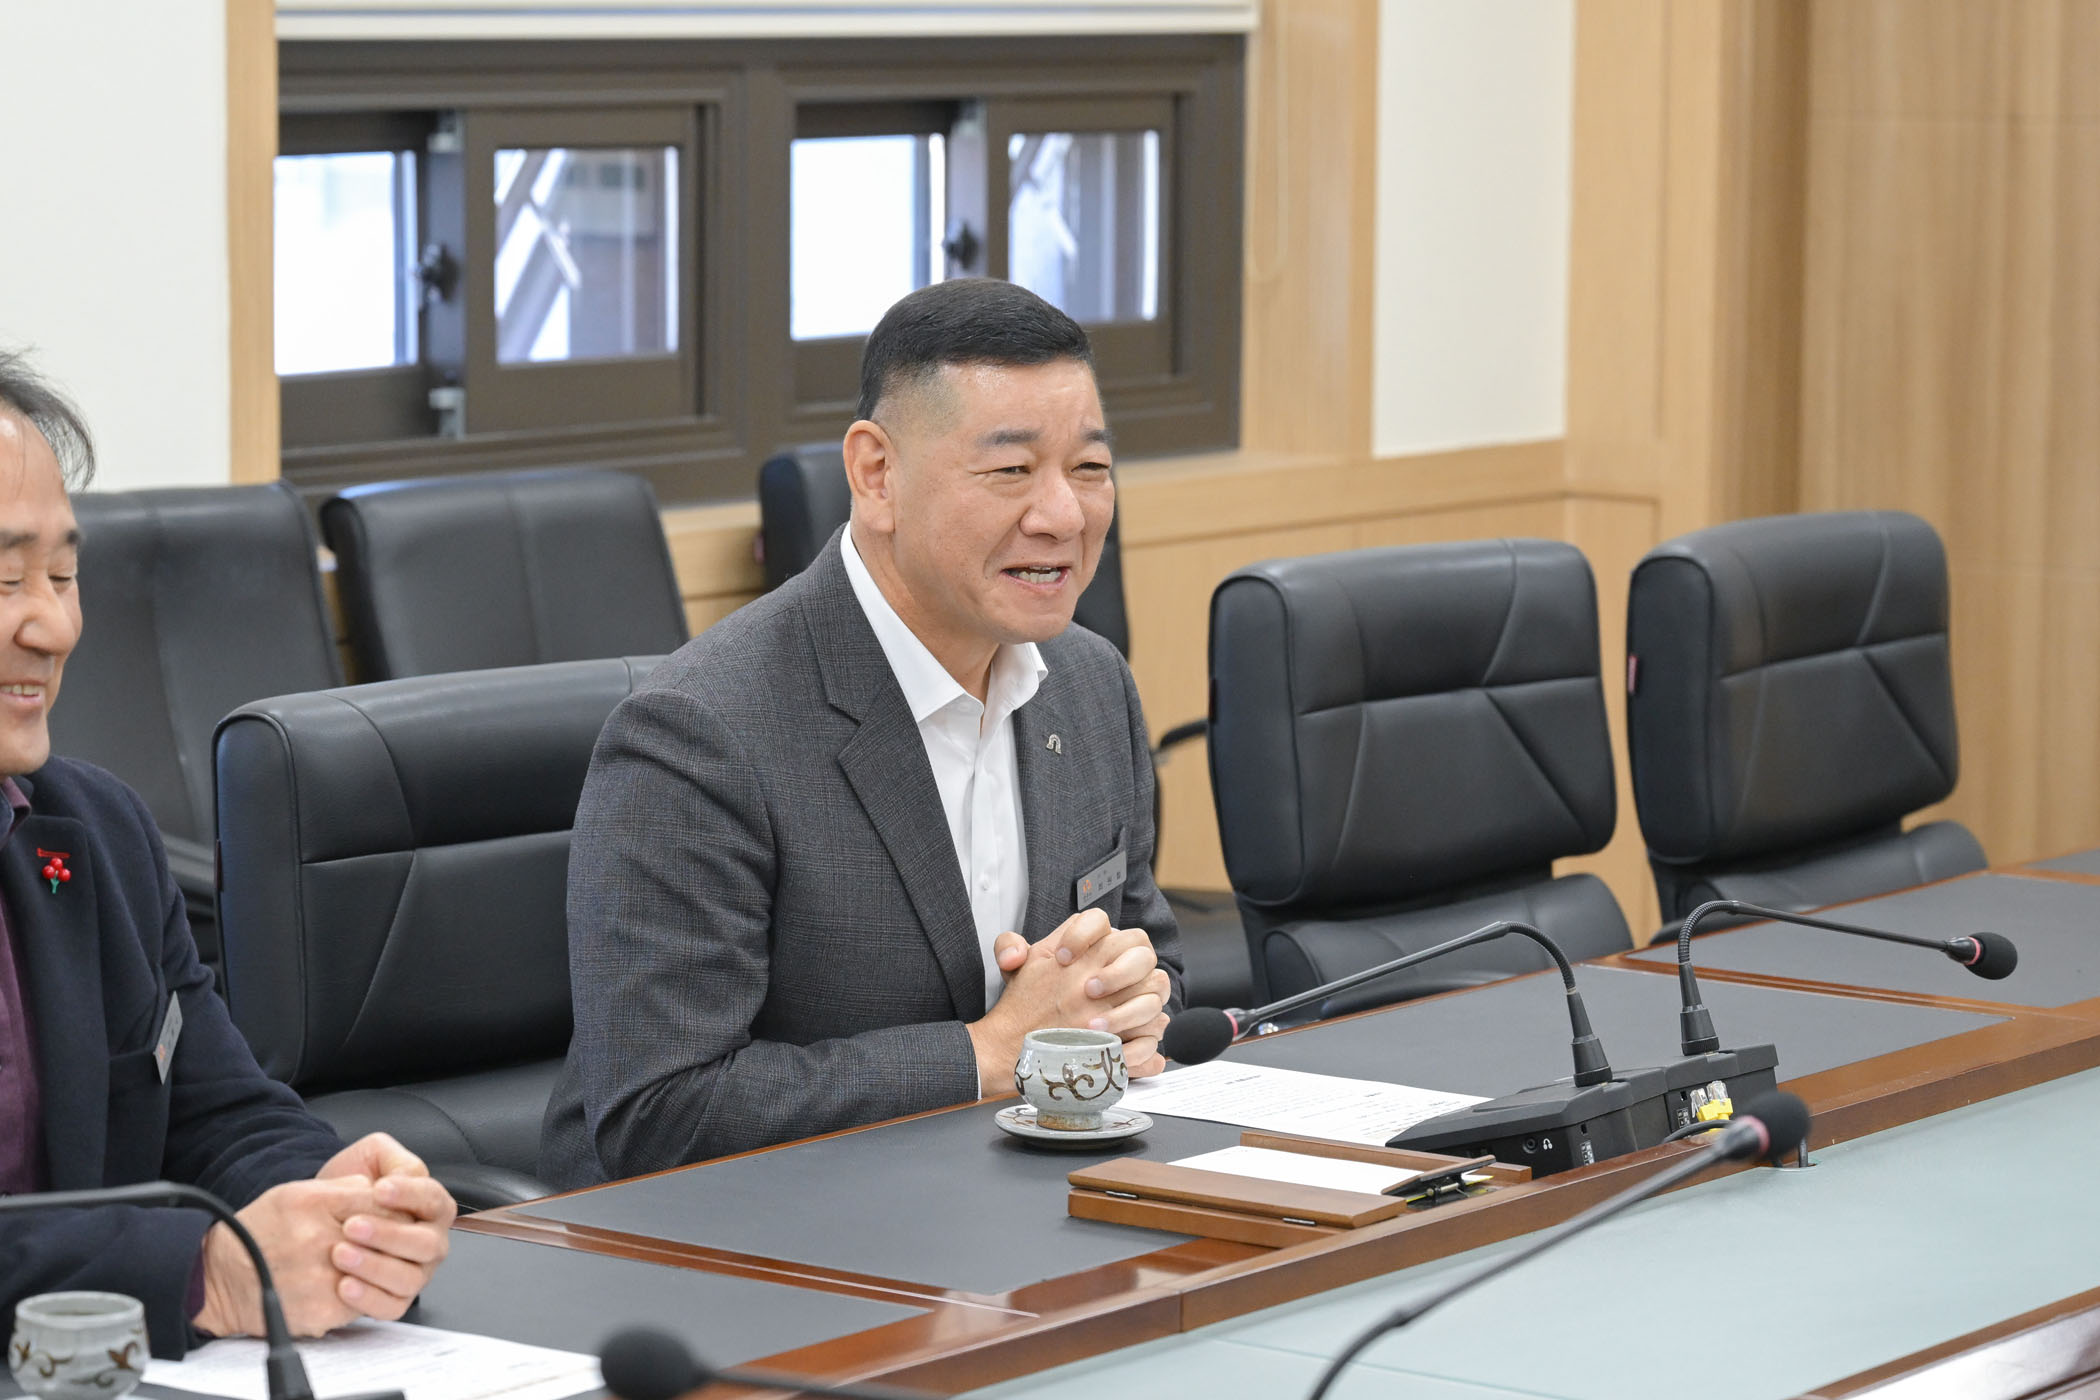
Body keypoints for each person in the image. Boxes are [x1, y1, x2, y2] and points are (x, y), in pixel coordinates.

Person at [542, 280, 1184, 1185]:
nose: (1064, 516)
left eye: (1089, 468)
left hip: (1013, 1202)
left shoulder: (1088, 682)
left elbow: (1156, 954)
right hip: (746, 1236)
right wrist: (989, 1054)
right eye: (1011, 471)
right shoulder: (699, 733)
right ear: (877, 474)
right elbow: (660, 1111)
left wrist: (1133, 1000)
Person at [0, 352, 455, 1357]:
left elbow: (219, 1115)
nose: (54, 623)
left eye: (64, 575)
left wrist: (333, 1208)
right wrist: (202, 1272)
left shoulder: (96, 833)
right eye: (6, 579)